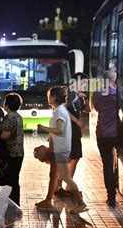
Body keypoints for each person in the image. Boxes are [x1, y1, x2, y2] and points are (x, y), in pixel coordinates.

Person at [36, 86, 88, 214]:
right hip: (59, 149)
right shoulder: (59, 110)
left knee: (66, 177)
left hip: (61, 150)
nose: (48, 97)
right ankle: (48, 200)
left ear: (54, 97)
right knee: (54, 175)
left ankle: (81, 203)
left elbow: (60, 130)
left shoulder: (59, 111)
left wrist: (44, 128)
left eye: (49, 95)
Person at [55, 73, 90, 197]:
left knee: (75, 157)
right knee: (68, 158)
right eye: (83, 82)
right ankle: (58, 186)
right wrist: (77, 121)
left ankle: (68, 185)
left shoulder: (79, 96)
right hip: (68, 130)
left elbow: (87, 110)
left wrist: (84, 98)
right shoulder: (69, 94)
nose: (85, 85)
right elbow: (62, 110)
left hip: (75, 132)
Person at [92, 70, 118, 206]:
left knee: (107, 165)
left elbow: (96, 109)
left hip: (102, 134)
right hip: (117, 134)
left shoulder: (96, 94)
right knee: (121, 161)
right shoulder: (118, 92)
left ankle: (111, 197)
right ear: (114, 79)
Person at [0, 93, 24, 205]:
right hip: (19, 153)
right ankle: (16, 203)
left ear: (7, 105)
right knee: (15, 179)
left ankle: (10, 204)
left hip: (11, 153)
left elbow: (5, 135)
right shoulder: (18, 116)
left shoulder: (9, 117)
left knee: (9, 180)